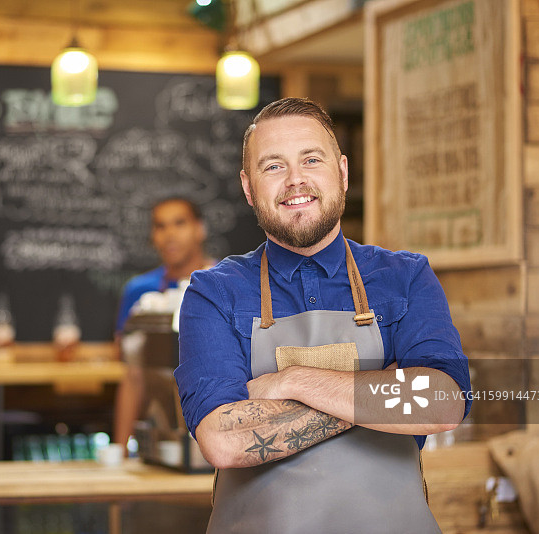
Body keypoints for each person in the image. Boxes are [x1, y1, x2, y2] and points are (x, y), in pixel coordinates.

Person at [175, 98, 472, 533]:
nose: (296, 179)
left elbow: (442, 402)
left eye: (311, 160)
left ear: (343, 172)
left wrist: (291, 381)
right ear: (248, 187)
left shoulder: (405, 277)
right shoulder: (214, 292)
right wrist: (383, 389)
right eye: (273, 166)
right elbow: (222, 440)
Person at [113, 197, 215, 450]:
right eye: (160, 226)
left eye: (179, 223)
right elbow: (132, 376)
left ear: (200, 229)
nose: (170, 234)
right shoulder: (138, 291)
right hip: (157, 438)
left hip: (216, 430)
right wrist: (121, 449)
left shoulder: (226, 281)